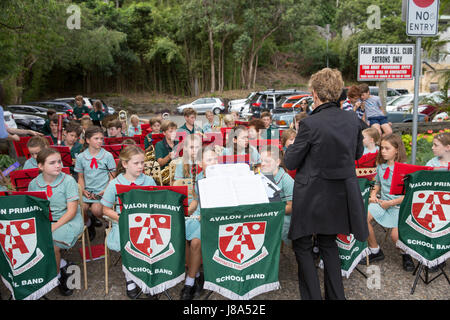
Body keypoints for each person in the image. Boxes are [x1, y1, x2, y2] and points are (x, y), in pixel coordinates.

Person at [284, 68, 368, 300]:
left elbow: (291, 161)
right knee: (329, 244)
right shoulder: (353, 120)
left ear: (314, 94)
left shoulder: (310, 124)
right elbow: (357, 153)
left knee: (302, 245)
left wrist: (293, 145)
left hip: (312, 195)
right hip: (339, 193)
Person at [101, 145, 157, 299]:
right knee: (129, 242)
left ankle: (147, 277)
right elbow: (105, 209)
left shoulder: (149, 180)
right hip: (123, 223)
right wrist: (123, 219)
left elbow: (157, 203)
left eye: (142, 163)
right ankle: (130, 278)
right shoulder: (115, 184)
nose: (141, 167)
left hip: (147, 222)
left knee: (153, 240)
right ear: (125, 164)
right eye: (136, 163)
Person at [28, 148, 84, 296]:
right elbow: (35, 209)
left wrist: (51, 228)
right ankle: (63, 265)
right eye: (52, 163)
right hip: (47, 221)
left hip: (68, 220)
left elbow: (71, 212)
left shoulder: (68, 180)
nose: (58, 165)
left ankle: (58, 276)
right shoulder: (34, 184)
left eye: (59, 161)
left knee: (50, 244)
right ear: (40, 166)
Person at [362, 133, 414, 272]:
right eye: (381, 148)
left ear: (397, 150)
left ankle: (406, 254)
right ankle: (375, 250)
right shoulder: (381, 166)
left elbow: (409, 194)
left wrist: (390, 203)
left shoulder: (405, 169)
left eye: (387, 148)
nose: (383, 151)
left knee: (395, 236)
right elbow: (378, 183)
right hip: (382, 203)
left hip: (398, 206)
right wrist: (373, 194)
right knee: (362, 217)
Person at [173, 134, 205, 300]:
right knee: (181, 236)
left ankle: (190, 280)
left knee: (195, 241)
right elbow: (177, 188)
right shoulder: (181, 165)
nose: (194, 151)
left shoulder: (206, 164)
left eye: (197, 147)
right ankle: (197, 274)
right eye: (190, 148)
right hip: (187, 207)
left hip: (202, 208)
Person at [75, 126, 116, 240]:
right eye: (96, 138)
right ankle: (89, 223)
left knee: (96, 209)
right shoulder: (81, 157)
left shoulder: (108, 156)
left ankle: (108, 224)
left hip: (103, 191)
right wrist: (83, 190)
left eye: (101, 138)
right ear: (87, 140)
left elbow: (112, 177)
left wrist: (106, 190)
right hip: (87, 192)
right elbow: (81, 177)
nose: (100, 141)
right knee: (80, 208)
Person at [260, 146, 294, 245]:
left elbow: (292, 207)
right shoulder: (260, 177)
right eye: (261, 160)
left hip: (283, 222)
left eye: (267, 161)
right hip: (266, 218)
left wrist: (272, 211)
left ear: (278, 162)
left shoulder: (286, 180)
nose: (262, 164)